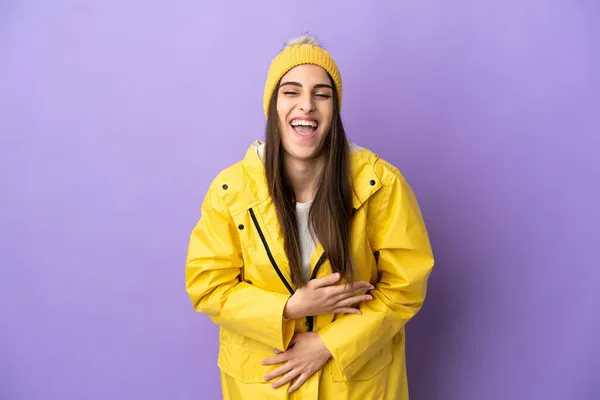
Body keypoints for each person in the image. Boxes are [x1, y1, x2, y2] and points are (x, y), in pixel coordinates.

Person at [185, 34, 435, 400]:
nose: (307, 106)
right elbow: (208, 285)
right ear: (272, 105)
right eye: (291, 92)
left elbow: (404, 288)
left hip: (355, 385)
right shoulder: (230, 190)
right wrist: (289, 308)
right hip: (264, 385)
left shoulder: (379, 184)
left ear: (335, 109)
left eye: (322, 94)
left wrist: (328, 344)